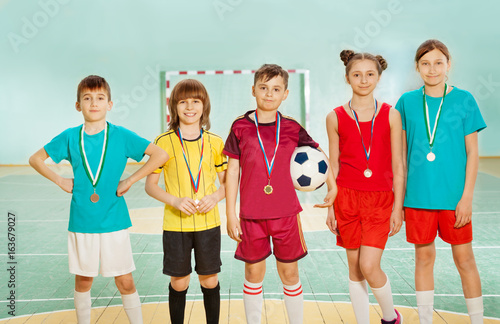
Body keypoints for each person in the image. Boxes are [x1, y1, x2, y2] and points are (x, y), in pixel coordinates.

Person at [29, 75, 169, 324]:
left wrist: (129, 180)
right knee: (84, 280)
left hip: (114, 219)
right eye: (87, 98)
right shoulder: (71, 136)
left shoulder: (121, 135)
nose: (94, 103)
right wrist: (60, 180)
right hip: (82, 219)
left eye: (100, 98)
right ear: (78, 105)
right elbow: (35, 159)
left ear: (110, 104)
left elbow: (160, 154)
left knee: (125, 280)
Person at [224, 64, 337, 324]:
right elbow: (232, 173)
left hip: (285, 214)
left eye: (276, 89)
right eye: (263, 88)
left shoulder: (291, 127)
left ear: (285, 94)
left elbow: (320, 157)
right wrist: (230, 214)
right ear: (253, 90)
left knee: (290, 273)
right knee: (253, 273)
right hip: (251, 215)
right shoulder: (240, 127)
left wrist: (333, 186)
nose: (269, 94)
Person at [396, 39, 486, 324]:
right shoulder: (406, 102)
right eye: (425, 63)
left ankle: (477, 320)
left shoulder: (464, 100)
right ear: (417, 67)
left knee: (465, 260)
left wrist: (467, 197)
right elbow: (400, 157)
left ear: (449, 65)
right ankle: (425, 320)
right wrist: (398, 202)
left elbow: (473, 153)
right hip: (418, 198)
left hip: (454, 199)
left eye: (438, 63)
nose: (432, 69)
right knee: (423, 259)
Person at [325, 50, 404, 324]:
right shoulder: (334, 117)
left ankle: (390, 317)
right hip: (346, 198)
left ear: (378, 77)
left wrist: (398, 208)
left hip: (381, 200)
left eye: (370, 74)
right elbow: (333, 165)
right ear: (347, 78)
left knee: (369, 265)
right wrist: (331, 205)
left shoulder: (391, 115)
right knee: (355, 269)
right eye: (357, 74)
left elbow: (398, 167)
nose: (363, 79)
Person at [145, 79, 227, 324]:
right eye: (183, 102)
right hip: (175, 226)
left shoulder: (215, 142)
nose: (189, 107)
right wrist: (175, 200)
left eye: (195, 101)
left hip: (208, 224)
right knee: (179, 282)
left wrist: (214, 197)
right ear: (173, 106)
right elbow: (150, 186)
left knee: (209, 280)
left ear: (204, 106)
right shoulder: (163, 142)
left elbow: (228, 184)